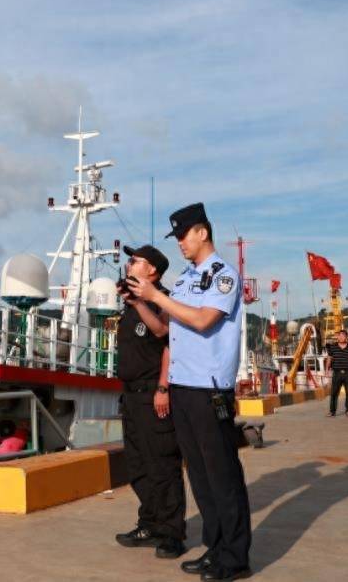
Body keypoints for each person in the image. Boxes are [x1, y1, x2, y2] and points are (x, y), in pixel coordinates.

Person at [129, 203, 251, 581]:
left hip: (208, 389)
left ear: (202, 232)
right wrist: (141, 300)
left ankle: (234, 558)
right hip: (182, 387)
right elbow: (167, 327)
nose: (180, 242)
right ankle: (215, 550)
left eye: (183, 234)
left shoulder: (223, 276)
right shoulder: (184, 278)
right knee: (199, 475)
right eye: (176, 236)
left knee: (222, 476)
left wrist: (157, 294)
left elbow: (202, 319)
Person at [113, 244, 186, 559]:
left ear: (152, 271)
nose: (129, 264)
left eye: (136, 260)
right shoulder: (132, 304)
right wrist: (132, 301)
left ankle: (172, 533)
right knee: (137, 465)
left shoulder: (163, 299)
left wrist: (163, 388)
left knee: (163, 465)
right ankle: (150, 524)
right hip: (129, 396)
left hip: (151, 394)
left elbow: (164, 334)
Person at [324, 330, 348, 417]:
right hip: (336, 372)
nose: (341, 337)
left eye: (343, 336)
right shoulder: (333, 347)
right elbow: (329, 359)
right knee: (334, 393)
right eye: (339, 336)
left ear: (346, 337)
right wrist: (326, 370)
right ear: (338, 337)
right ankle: (332, 411)